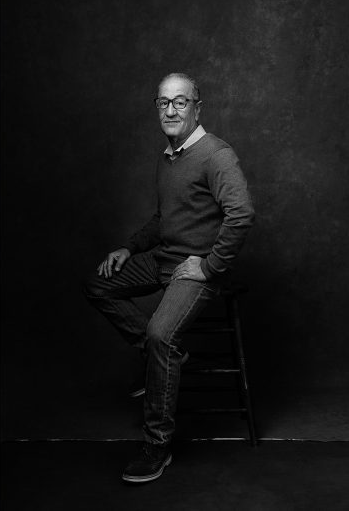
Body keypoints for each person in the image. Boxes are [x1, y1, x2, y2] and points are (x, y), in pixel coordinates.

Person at [83, 73, 254, 483]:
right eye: (164, 103)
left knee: (162, 333)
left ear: (198, 107)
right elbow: (165, 219)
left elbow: (242, 214)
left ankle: (157, 446)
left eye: (181, 102)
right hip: (163, 259)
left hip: (195, 272)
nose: (171, 110)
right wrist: (130, 247)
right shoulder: (168, 157)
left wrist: (209, 266)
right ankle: (163, 359)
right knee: (98, 283)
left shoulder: (216, 154)